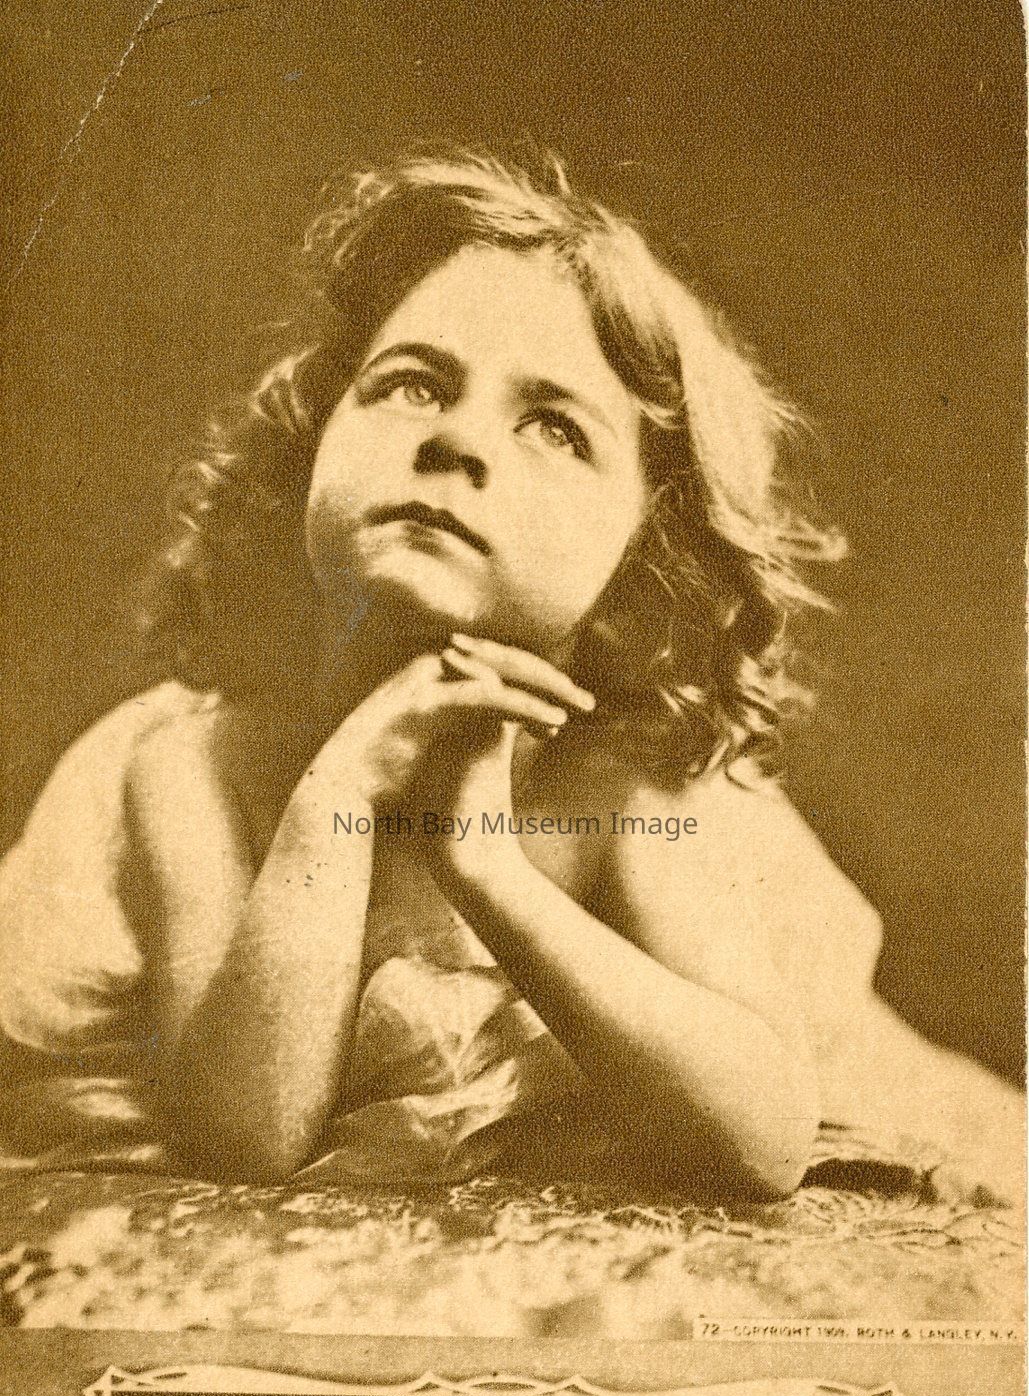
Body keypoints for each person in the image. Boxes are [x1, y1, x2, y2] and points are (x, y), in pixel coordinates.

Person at [0, 150, 1021, 1206]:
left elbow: (762, 1145)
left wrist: (487, 866)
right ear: (311, 442)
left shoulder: (629, 788)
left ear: (647, 550)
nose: (454, 439)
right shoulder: (198, 766)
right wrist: (336, 798)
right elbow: (245, 1142)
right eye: (411, 384)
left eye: (555, 428)